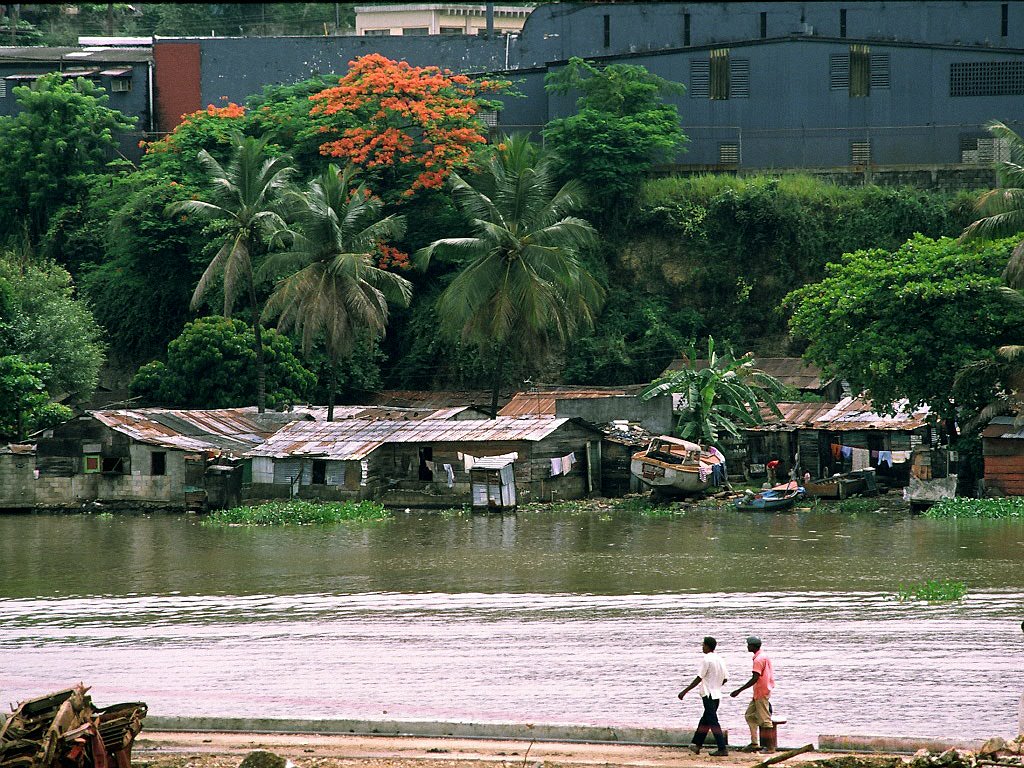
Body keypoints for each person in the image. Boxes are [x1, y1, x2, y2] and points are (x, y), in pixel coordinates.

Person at [678, 636, 730, 757]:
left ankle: (722, 748)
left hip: (708, 695)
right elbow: (725, 678)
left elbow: (698, 678)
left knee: (713, 722)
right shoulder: (720, 659)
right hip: (717, 695)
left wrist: (685, 691)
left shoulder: (706, 659)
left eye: (703, 645)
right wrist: (716, 684)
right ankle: (696, 744)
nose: (702, 647)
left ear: (707, 646)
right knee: (705, 720)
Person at [730, 636, 775, 753]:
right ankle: (754, 743)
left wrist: (739, 690)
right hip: (760, 691)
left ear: (753, 646)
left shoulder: (758, 660)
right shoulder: (763, 656)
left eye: (748, 645)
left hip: (761, 691)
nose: (747, 647)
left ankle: (770, 747)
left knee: (765, 719)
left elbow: (755, 678)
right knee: (749, 715)